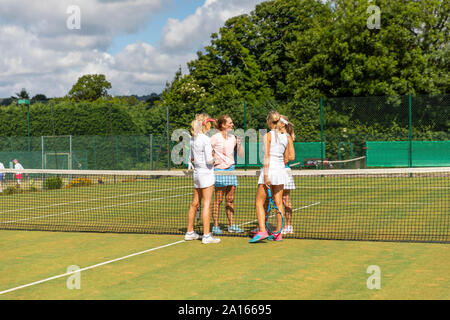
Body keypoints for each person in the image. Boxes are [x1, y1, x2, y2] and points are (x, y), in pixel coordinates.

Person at [250, 111, 294, 243]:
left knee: (259, 202)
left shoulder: (267, 136)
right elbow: (287, 158)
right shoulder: (286, 137)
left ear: (269, 121)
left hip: (270, 171)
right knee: (279, 202)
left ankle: (262, 230)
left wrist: (266, 175)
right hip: (281, 171)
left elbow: (266, 156)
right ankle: (278, 233)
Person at [185, 113, 221, 244]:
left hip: (197, 174)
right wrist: (216, 159)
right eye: (209, 122)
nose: (211, 124)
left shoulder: (193, 139)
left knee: (195, 203)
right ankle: (206, 235)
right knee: (206, 204)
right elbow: (209, 160)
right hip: (206, 175)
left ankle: (189, 232)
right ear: (205, 124)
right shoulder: (205, 139)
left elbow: (192, 158)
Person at [210, 115, 245, 235]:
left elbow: (241, 155)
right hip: (219, 171)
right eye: (230, 123)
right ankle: (215, 226)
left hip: (231, 170)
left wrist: (239, 144)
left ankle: (232, 225)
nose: (232, 124)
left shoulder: (233, 138)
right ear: (223, 125)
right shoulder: (214, 138)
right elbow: (207, 151)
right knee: (218, 200)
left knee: (230, 200)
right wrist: (213, 158)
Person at [280, 115, 296, 235]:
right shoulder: (274, 136)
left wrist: (281, 159)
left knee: (285, 199)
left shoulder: (287, 137)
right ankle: (264, 226)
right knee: (273, 199)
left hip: (284, 171)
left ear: (283, 124)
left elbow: (291, 157)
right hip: (275, 171)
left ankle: (288, 225)